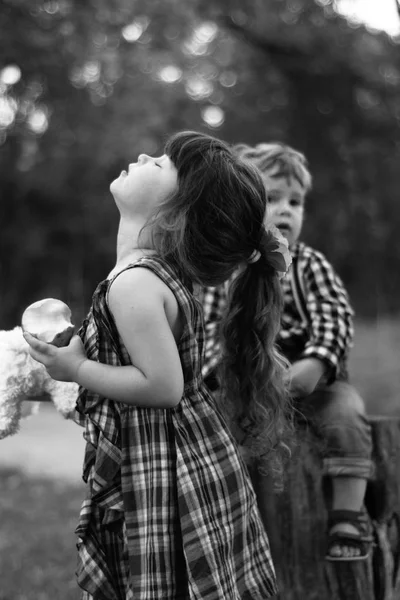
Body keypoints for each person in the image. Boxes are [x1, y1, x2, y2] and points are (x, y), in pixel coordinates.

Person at [24, 131, 292, 599]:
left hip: (168, 470)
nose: (145, 155)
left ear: (177, 213)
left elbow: (162, 385)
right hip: (179, 456)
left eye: (164, 163)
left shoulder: (135, 285)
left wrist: (77, 371)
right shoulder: (148, 274)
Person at [200, 142, 373, 562]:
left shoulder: (310, 263)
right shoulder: (227, 272)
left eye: (295, 201)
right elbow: (208, 330)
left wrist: (313, 365)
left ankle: (347, 515)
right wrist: (222, 375)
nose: (286, 210)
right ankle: (221, 518)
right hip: (249, 381)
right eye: (272, 198)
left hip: (314, 379)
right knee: (217, 430)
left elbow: (334, 315)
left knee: (347, 417)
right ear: (242, 207)